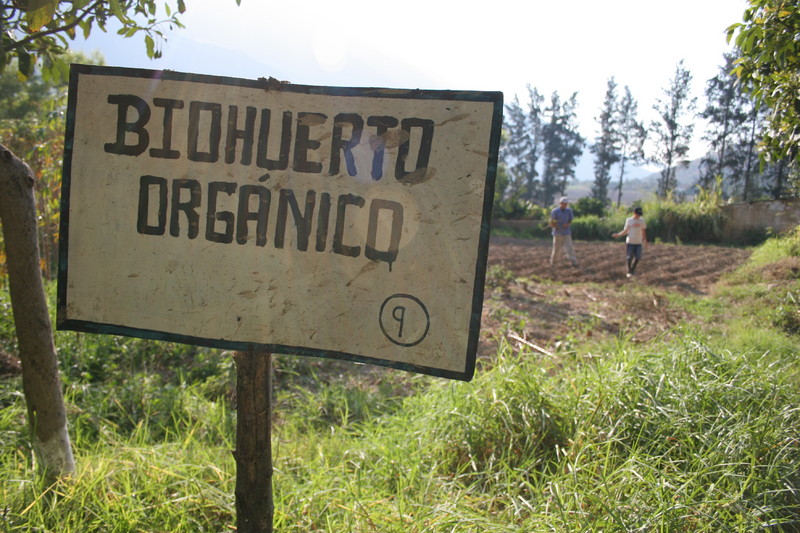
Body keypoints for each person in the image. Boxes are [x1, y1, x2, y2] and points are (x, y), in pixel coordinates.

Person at [612, 206, 647, 277]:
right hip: (630, 241)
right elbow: (626, 231)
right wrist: (618, 234)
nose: (639, 216)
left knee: (638, 257)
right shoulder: (629, 220)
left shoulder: (642, 221)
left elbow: (643, 231)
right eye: (638, 214)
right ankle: (629, 271)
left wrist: (645, 240)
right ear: (634, 213)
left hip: (638, 242)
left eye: (640, 214)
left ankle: (632, 270)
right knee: (629, 257)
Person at [549, 196, 578, 267]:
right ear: (560, 203)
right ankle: (553, 263)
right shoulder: (554, 211)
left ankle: (573, 262)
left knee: (569, 247)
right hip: (557, 233)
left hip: (566, 232)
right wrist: (555, 226)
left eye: (566, 204)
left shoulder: (569, 211)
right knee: (556, 249)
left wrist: (567, 224)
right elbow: (552, 222)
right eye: (563, 203)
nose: (565, 205)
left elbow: (571, 220)